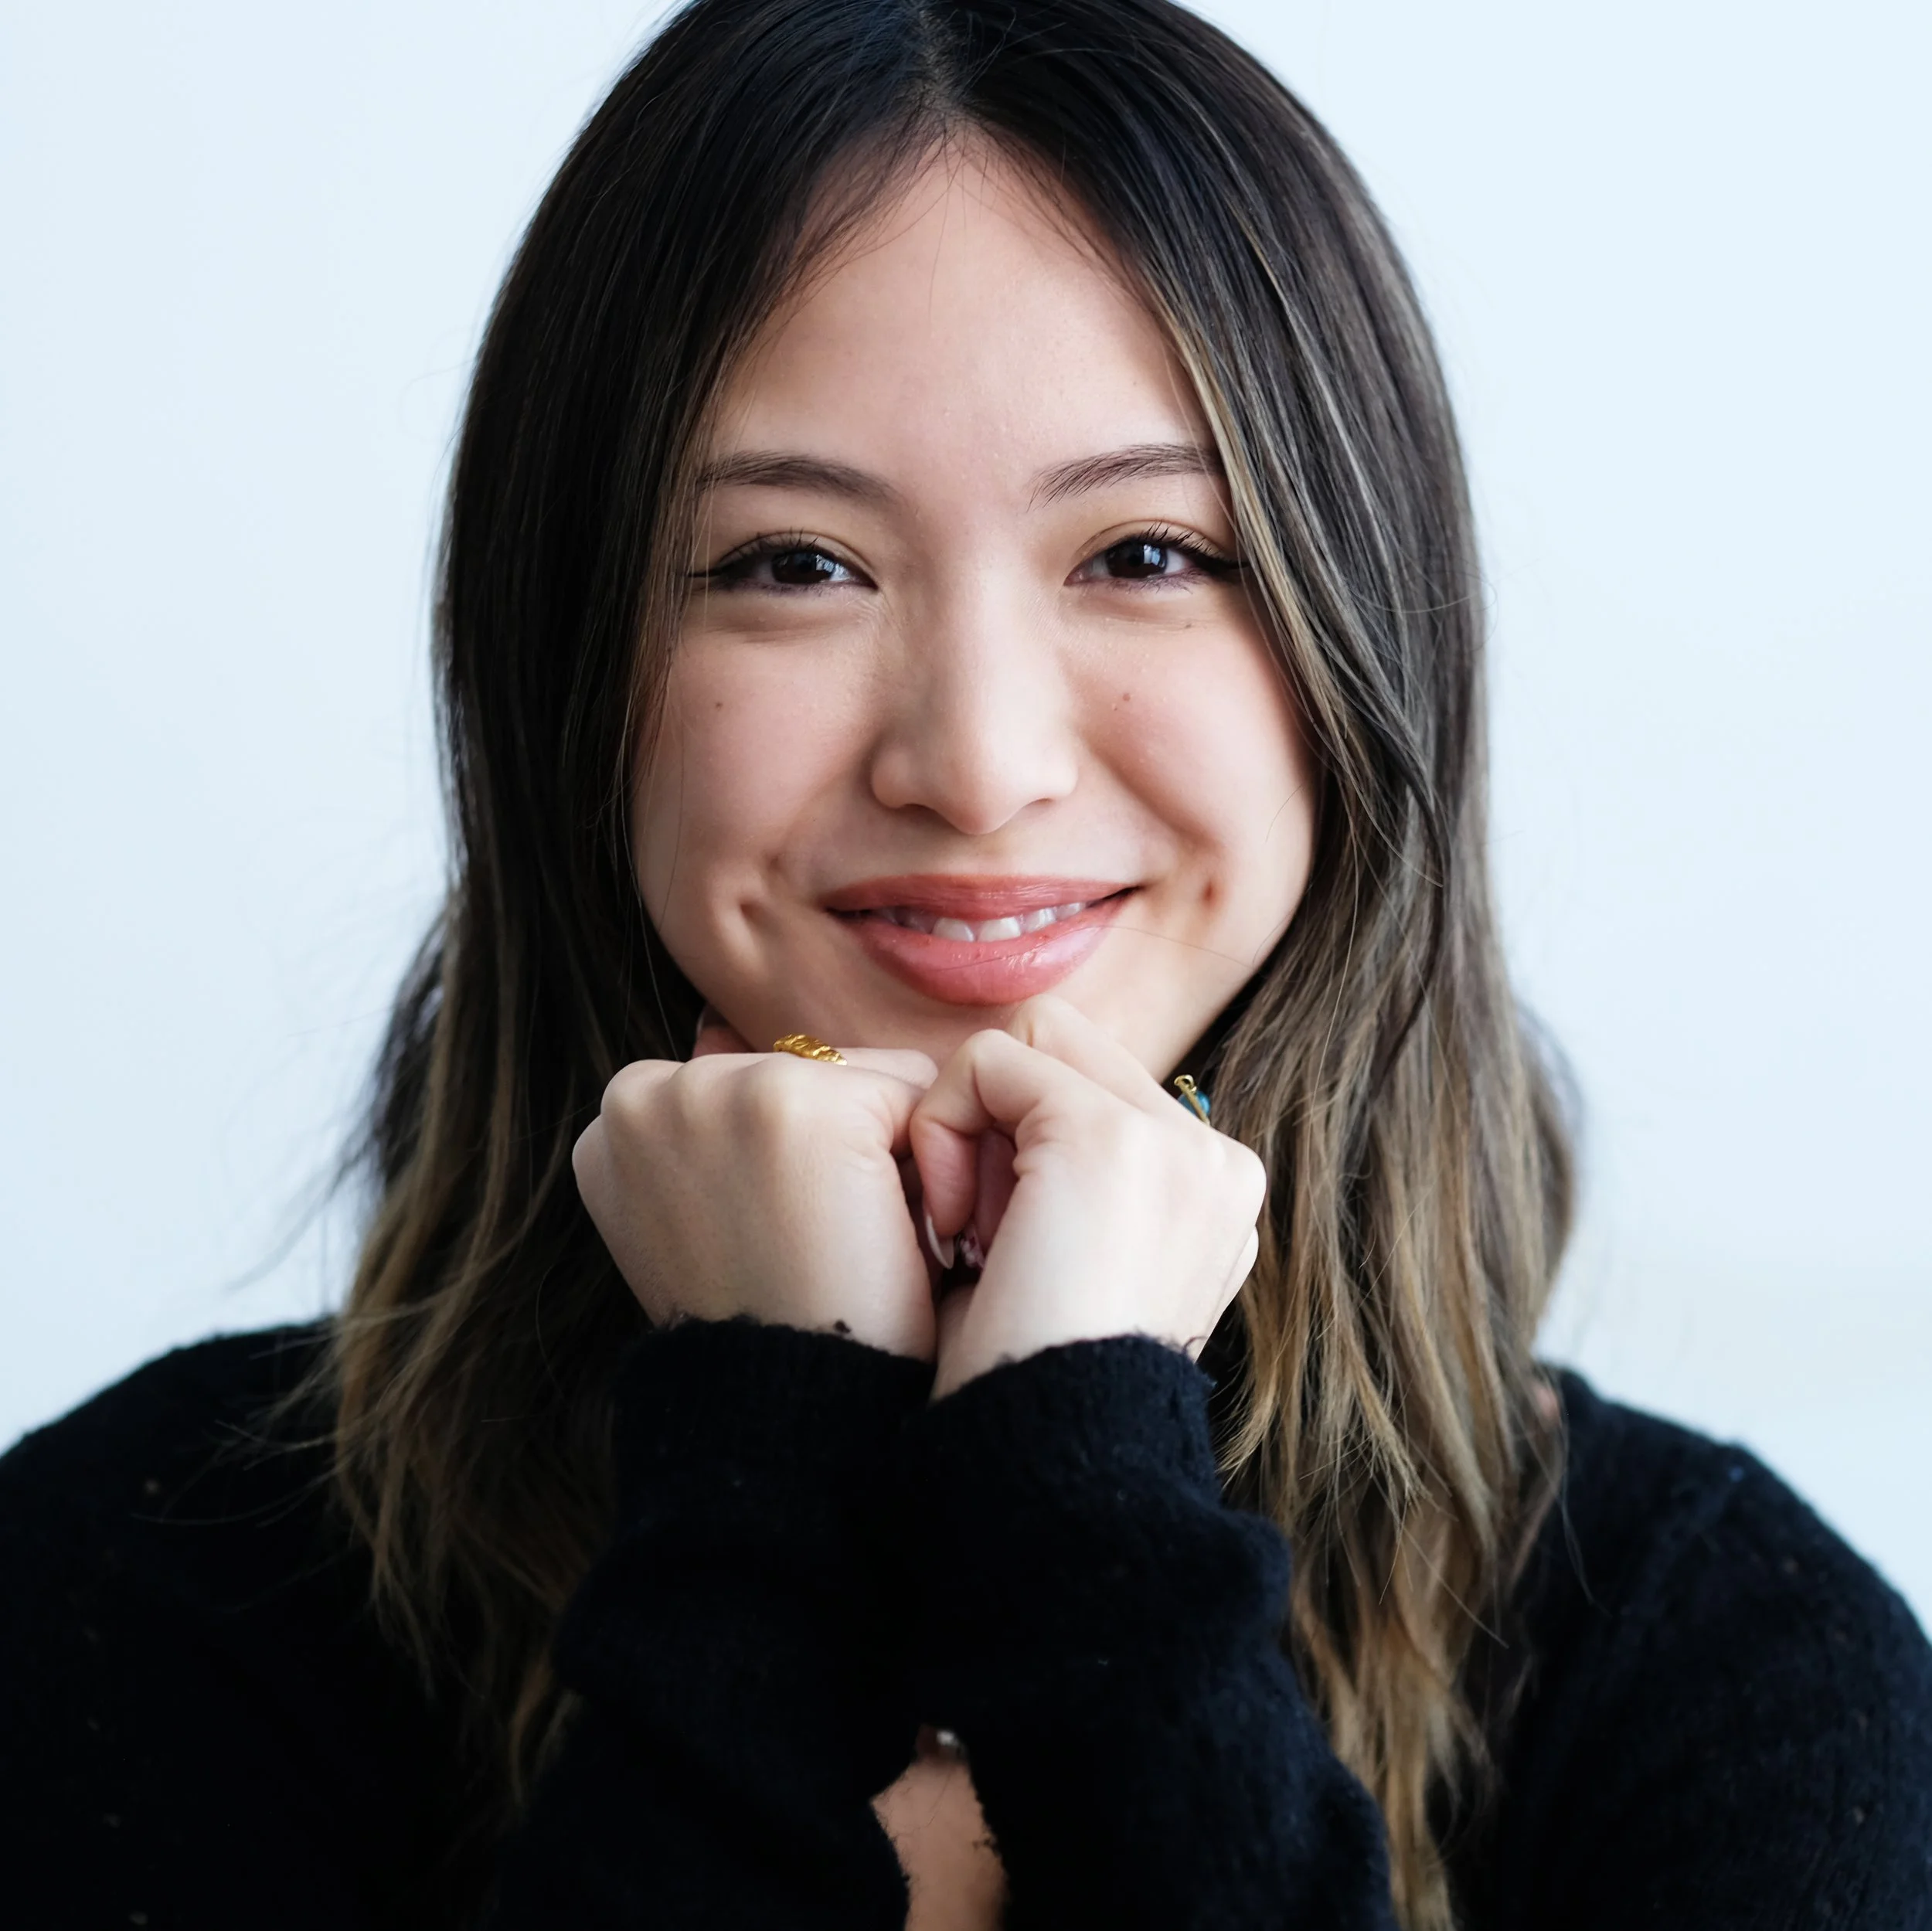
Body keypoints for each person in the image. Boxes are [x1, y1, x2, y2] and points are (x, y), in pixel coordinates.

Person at [2, 0, 1927, 1926]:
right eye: (792, 563)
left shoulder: (1719, 1663)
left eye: (1149, 551)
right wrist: (762, 1462)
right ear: (566, 671)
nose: (980, 760)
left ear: (1362, 643)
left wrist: (1077, 1483)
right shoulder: (146, 1591)